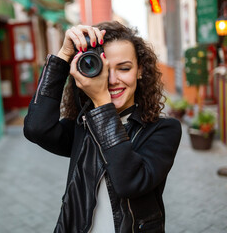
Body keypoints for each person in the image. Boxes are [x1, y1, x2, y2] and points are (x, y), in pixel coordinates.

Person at [23, 21, 182, 233]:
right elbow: (36, 128)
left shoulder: (163, 130)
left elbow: (129, 183)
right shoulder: (84, 126)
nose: (113, 80)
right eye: (103, 69)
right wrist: (63, 56)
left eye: (124, 68)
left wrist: (101, 102)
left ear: (140, 71)